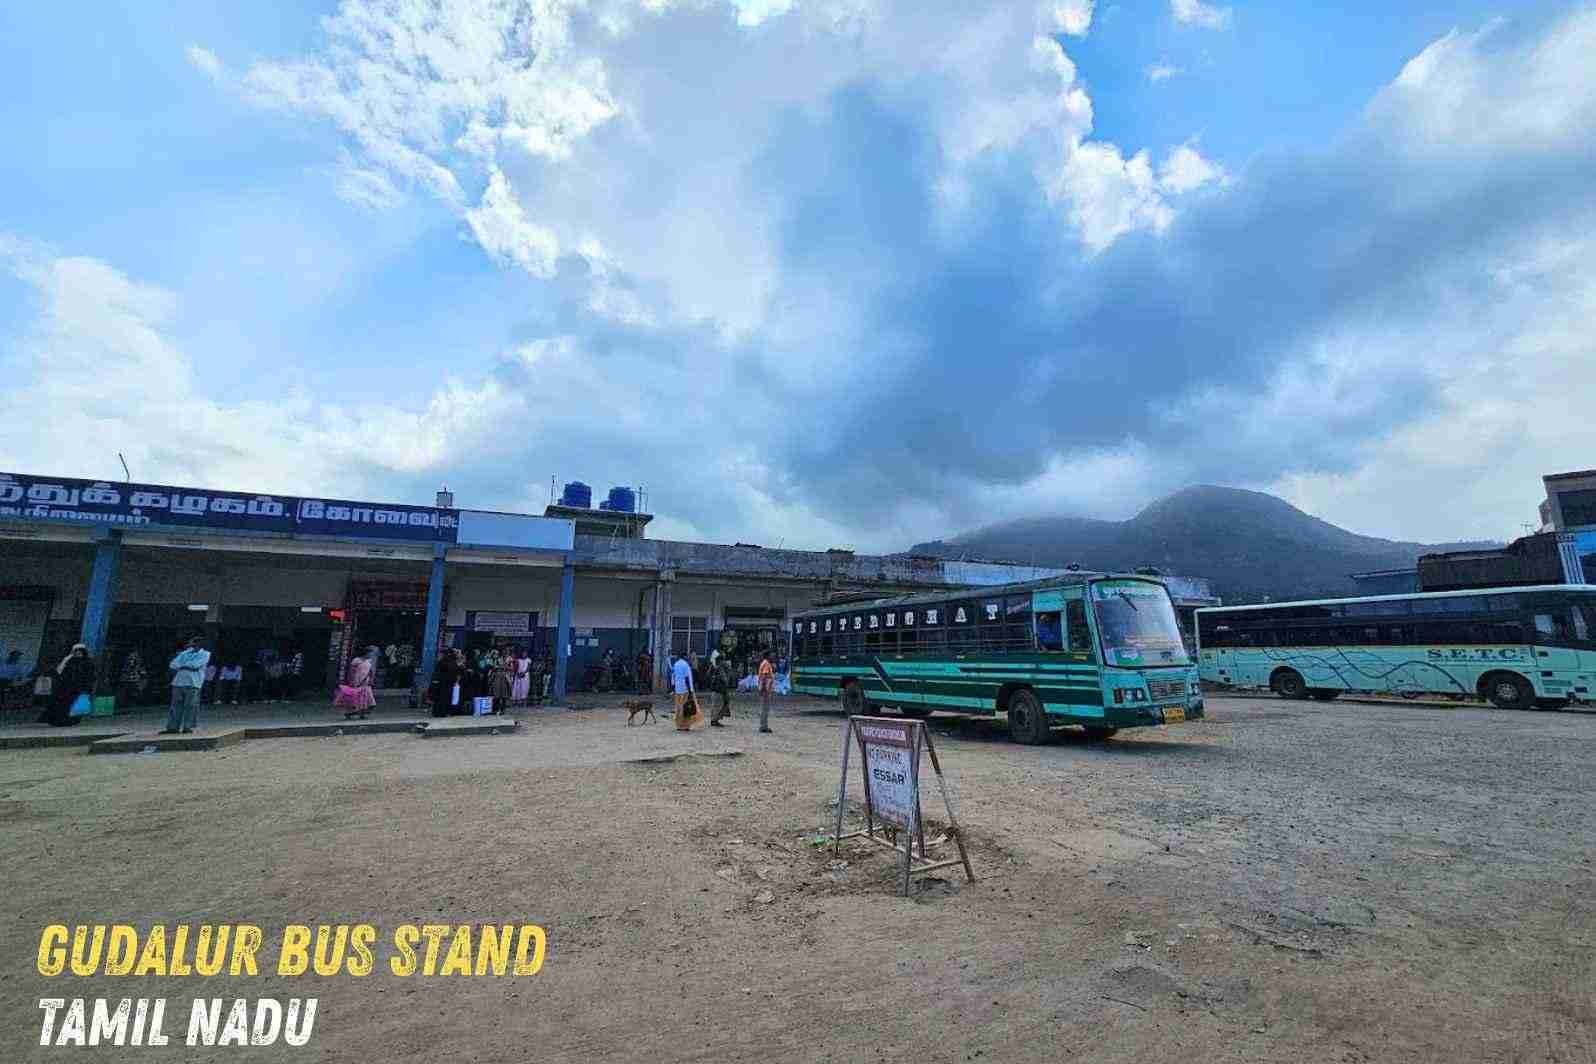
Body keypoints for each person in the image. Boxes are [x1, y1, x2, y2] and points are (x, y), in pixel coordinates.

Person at [162, 636, 210, 735]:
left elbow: (196, 665)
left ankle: (188, 727)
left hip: (194, 682)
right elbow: (173, 664)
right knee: (175, 706)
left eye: (194, 643)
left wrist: (183, 665)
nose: (192, 645)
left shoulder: (205, 654)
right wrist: (186, 665)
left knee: (191, 706)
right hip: (178, 682)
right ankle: (172, 727)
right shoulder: (184, 653)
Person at [44, 644, 95, 727]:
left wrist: (87, 688)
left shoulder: (88, 662)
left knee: (76, 705)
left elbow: (90, 676)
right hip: (65, 687)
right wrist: (65, 660)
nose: (78, 654)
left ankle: (71, 721)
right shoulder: (69, 661)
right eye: (76, 652)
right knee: (62, 704)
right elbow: (59, 671)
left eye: (80, 652)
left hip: (79, 688)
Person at [671, 654, 698, 731]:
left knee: (678, 707)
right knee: (686, 707)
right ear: (684, 657)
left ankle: (678, 725)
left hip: (677, 689)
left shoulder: (675, 664)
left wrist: (673, 688)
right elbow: (687, 678)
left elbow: (673, 676)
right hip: (685, 689)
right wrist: (690, 690)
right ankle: (685, 726)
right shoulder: (686, 665)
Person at [709, 654, 733, 727]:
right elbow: (725, 679)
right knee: (718, 705)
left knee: (715, 705)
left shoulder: (714, 667)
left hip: (715, 689)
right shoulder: (720, 668)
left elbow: (709, 675)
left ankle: (714, 719)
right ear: (721, 660)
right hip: (719, 689)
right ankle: (715, 720)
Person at [757, 652, 776, 734]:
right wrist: (765, 689)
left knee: (764, 708)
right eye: (771, 655)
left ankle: (763, 726)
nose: (773, 656)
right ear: (768, 656)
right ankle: (763, 727)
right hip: (765, 690)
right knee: (765, 709)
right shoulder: (766, 664)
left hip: (764, 690)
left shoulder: (764, 663)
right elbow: (764, 676)